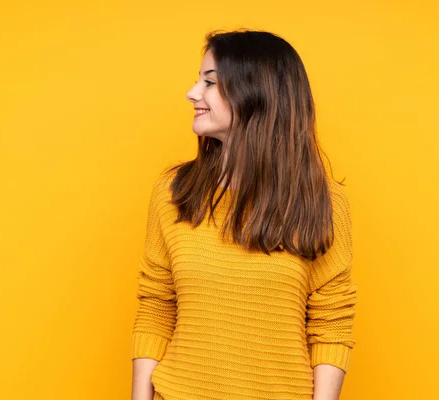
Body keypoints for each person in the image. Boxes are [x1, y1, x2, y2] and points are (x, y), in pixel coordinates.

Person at [131, 29, 357, 400]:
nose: (192, 93)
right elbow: (156, 304)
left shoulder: (323, 202)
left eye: (209, 83)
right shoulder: (173, 191)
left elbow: (331, 321)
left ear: (257, 94)